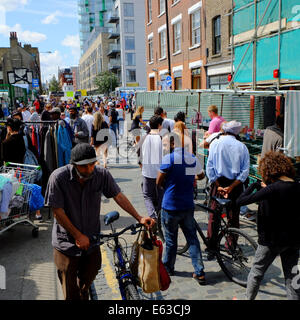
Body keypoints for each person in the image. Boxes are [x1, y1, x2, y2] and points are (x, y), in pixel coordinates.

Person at [44, 143, 155, 300]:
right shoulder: (58, 178)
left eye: (92, 164)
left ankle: (83, 292)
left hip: (92, 239)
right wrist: (77, 236)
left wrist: (139, 217)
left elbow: (118, 196)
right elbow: (57, 211)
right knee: (70, 292)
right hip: (66, 244)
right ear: (74, 165)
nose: (89, 169)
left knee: (91, 272)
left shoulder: (101, 175)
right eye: (84, 166)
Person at [236, 151, 300, 300]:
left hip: (271, 240)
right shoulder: (296, 186)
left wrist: (254, 185)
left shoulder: (271, 189)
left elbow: (240, 201)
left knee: (256, 272)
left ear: (268, 170)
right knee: (292, 276)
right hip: (294, 240)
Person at [156, 132, 206, 284]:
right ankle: (199, 271)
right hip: (187, 205)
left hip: (170, 206)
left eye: (165, 144)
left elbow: (158, 181)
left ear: (173, 144)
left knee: (171, 240)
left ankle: (168, 268)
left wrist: (170, 184)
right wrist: (190, 177)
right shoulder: (191, 158)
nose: (164, 148)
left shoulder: (169, 158)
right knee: (192, 239)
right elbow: (201, 175)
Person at [205, 120, 250, 260]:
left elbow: (209, 168)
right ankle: (231, 245)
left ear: (224, 131)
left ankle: (211, 246)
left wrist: (218, 186)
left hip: (218, 183)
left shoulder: (215, 144)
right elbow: (244, 172)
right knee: (233, 216)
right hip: (234, 186)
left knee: (214, 215)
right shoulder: (242, 147)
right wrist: (230, 187)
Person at [140, 115, 164, 220]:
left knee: (147, 196)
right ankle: (159, 214)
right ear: (159, 125)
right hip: (161, 173)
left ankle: (153, 216)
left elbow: (139, 155)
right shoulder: (162, 138)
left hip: (147, 172)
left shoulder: (144, 137)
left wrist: (142, 166)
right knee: (160, 195)